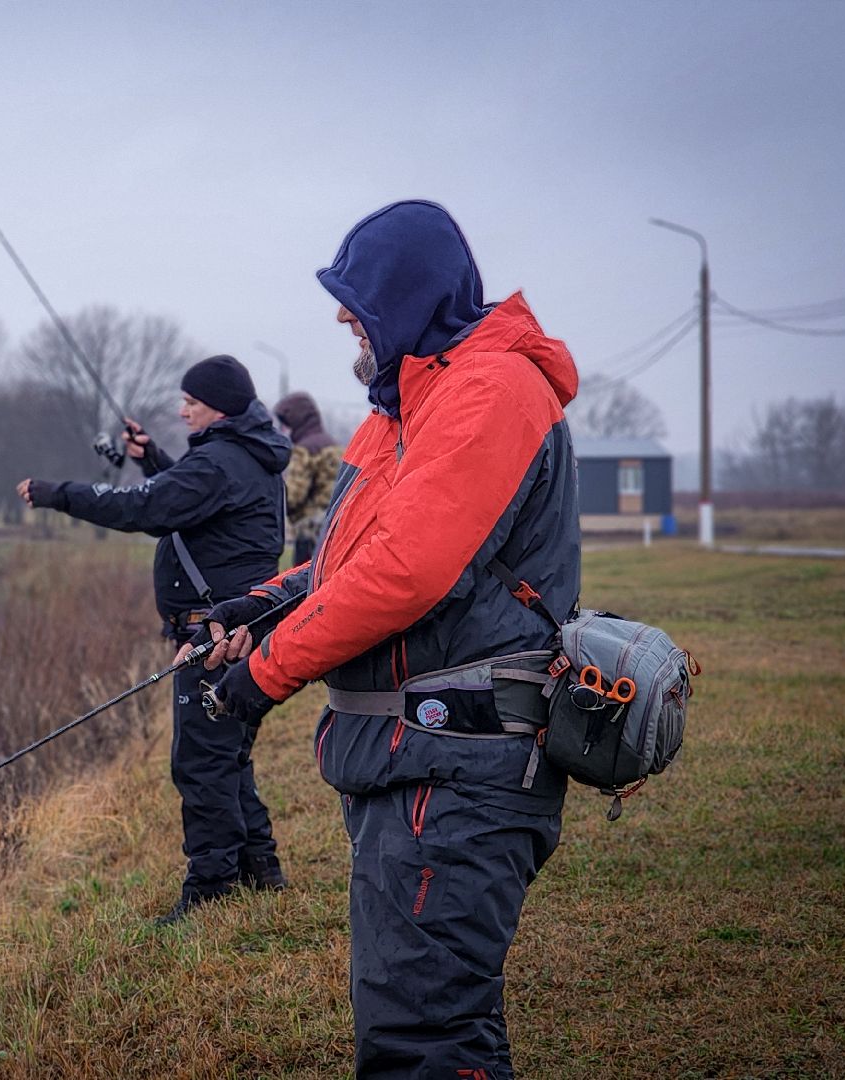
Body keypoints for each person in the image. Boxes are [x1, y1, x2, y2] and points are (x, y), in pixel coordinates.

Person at [188, 200, 581, 1077]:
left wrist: (260, 677)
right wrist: (256, 607)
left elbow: (405, 572)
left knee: (423, 1039)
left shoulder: (490, 389)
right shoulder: (405, 402)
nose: (339, 315)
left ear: (406, 296)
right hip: (411, 766)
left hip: (459, 772)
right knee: (423, 1020)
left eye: (353, 295)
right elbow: (345, 560)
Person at [16, 354, 291, 923]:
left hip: (215, 636)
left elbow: (147, 507)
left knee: (202, 762)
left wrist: (57, 493)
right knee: (229, 754)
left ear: (217, 405)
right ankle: (260, 871)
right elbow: (188, 499)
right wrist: (154, 459)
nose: (180, 408)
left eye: (190, 401)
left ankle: (211, 888)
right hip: (239, 630)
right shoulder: (247, 456)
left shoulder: (219, 462)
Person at [273, 391, 340, 567]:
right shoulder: (331, 443)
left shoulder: (304, 449)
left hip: (309, 534)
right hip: (334, 528)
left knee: (303, 588)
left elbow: (293, 497)